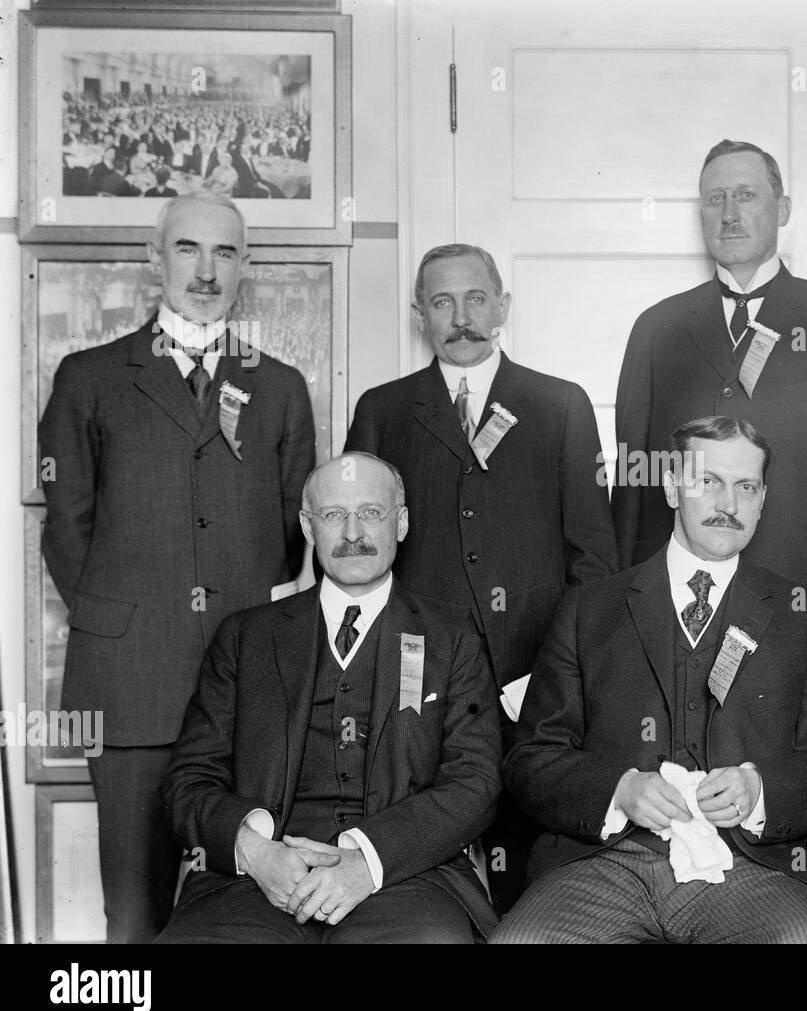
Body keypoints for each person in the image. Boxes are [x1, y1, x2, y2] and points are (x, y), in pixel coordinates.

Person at [39, 190, 317, 942]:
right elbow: (66, 531)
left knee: (248, 911)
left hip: (249, 694)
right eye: (188, 248)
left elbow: (294, 539)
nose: (206, 269)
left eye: (225, 251)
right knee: (133, 914)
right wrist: (132, 618)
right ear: (153, 258)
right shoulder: (89, 377)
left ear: (245, 266)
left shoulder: (281, 387)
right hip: (128, 687)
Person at [492, 416, 807, 943]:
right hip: (605, 864)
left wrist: (760, 791)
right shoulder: (588, 610)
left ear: (764, 498)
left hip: (752, 868)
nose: (729, 504)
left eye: (746, 487)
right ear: (672, 486)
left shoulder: (801, 615)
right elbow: (529, 759)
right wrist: (619, 791)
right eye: (709, 481)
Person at [345, 243, 617, 909]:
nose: (460, 316)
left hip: (535, 681)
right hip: (421, 681)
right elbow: (358, 561)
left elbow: (595, 561)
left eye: (474, 298)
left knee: (533, 870)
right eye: (442, 301)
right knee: (426, 863)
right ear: (420, 315)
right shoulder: (383, 409)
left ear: (503, 307)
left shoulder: (559, 405)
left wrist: (557, 676)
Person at [157, 454, 501, 943]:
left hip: (406, 875)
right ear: (308, 526)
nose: (353, 531)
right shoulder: (245, 637)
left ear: (401, 523)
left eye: (372, 513)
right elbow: (187, 781)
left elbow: (476, 781)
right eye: (334, 515)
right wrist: (255, 852)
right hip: (260, 880)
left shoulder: (451, 637)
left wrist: (368, 862)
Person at [613, 140, 807, 688]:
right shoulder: (657, 329)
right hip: (674, 604)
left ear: (784, 209)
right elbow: (633, 485)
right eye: (714, 198)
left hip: (804, 601)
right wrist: (617, 611)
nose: (729, 213)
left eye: (746, 195)